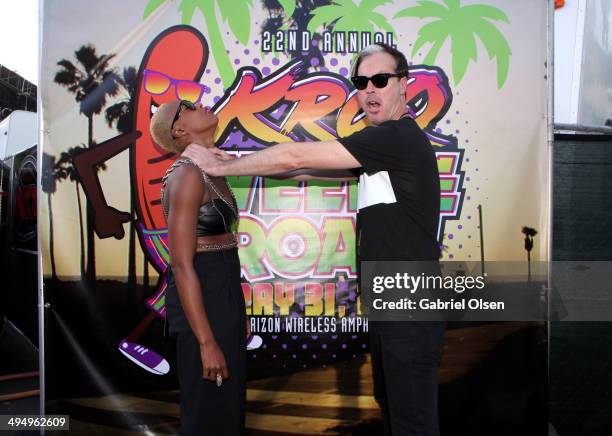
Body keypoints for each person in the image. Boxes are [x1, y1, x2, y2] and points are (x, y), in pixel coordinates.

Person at [184, 43, 446, 436]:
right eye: (361, 82)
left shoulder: (397, 138)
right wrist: (229, 158)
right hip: (393, 304)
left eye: (380, 80)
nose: (370, 90)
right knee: (396, 411)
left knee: (413, 423)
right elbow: (303, 170)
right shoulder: (380, 151)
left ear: (404, 85)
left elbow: (293, 157)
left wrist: (225, 164)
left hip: (407, 305)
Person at [150, 100, 247, 435]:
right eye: (188, 106)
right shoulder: (188, 174)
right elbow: (180, 264)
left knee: (225, 405)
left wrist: (236, 313)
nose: (202, 103)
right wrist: (206, 342)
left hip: (220, 289)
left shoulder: (209, 169)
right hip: (200, 295)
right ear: (179, 130)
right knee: (207, 409)